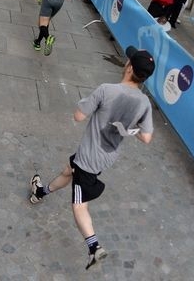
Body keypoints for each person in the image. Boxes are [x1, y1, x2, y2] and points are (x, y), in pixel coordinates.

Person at [29, 46, 155, 269]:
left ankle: (94, 247)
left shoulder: (106, 90)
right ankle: (40, 192)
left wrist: (86, 104)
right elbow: (146, 137)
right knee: (69, 169)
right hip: (107, 155)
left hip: (89, 157)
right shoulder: (144, 103)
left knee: (79, 206)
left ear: (129, 68)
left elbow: (78, 116)